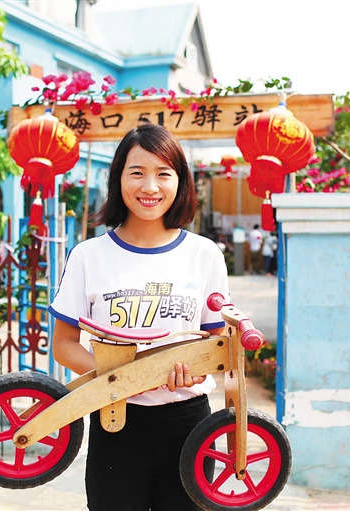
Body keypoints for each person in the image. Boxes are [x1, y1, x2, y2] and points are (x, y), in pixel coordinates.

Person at [48, 124, 229, 511]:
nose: (150, 187)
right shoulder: (88, 256)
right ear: (118, 178)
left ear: (180, 181)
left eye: (163, 174)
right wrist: (121, 375)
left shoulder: (205, 255)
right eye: (137, 173)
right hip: (115, 421)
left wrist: (195, 370)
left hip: (189, 425)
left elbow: (216, 346)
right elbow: (63, 345)